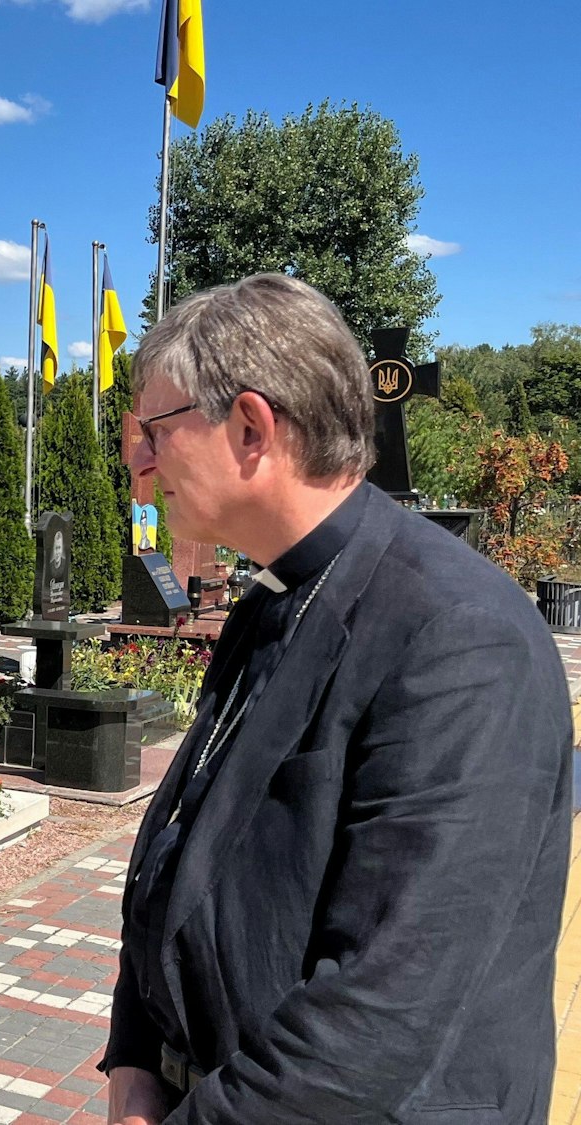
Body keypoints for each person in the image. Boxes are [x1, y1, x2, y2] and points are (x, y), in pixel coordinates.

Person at [103, 274, 571, 1123]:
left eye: (155, 431)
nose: (138, 460)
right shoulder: (271, 600)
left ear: (251, 427)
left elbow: (382, 1012)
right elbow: (176, 849)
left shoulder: (459, 638)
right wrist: (136, 1061)